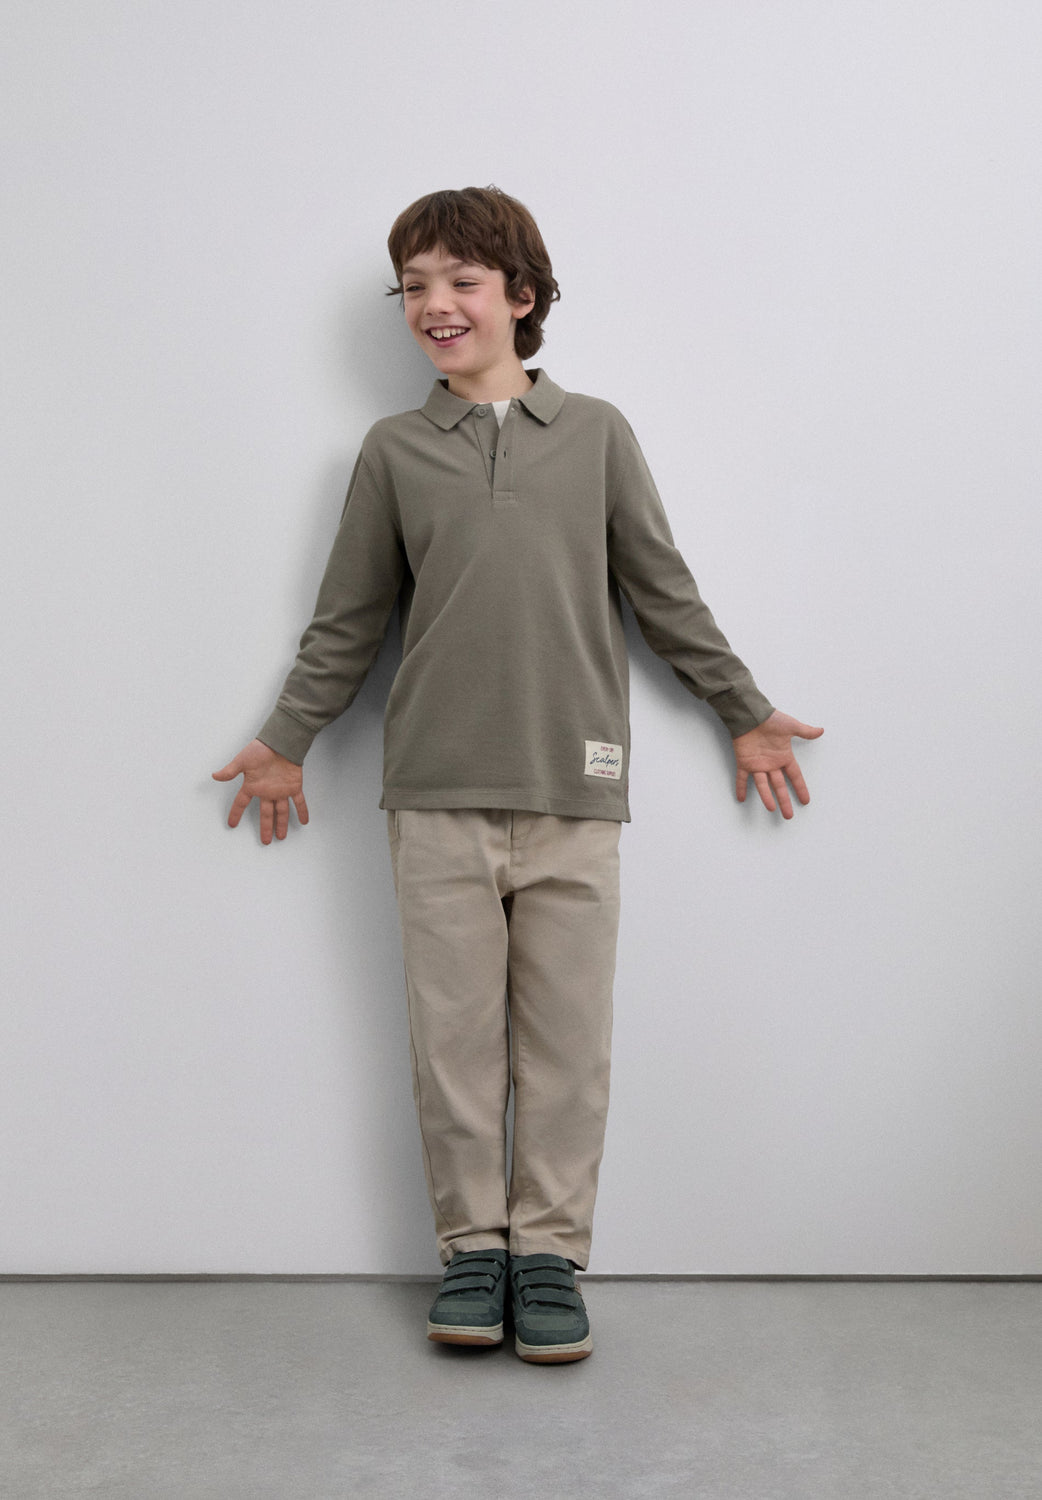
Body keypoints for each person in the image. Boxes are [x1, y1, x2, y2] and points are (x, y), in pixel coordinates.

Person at [213, 186, 822, 1364]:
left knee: (565, 1046)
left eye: (461, 281)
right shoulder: (392, 452)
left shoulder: (596, 435)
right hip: (434, 794)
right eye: (414, 286)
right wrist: (286, 739)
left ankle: (547, 1255)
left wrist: (743, 711)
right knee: (452, 1046)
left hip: (573, 793)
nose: (434, 304)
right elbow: (347, 622)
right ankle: (471, 1251)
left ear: (522, 296)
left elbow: (662, 591)